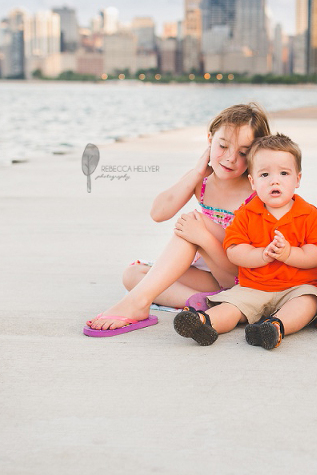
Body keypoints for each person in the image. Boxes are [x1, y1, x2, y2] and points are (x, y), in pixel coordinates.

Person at [84, 103, 271, 337]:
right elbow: (158, 212)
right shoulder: (203, 182)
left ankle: (137, 304)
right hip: (208, 279)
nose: (231, 158)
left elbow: (241, 261)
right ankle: (204, 302)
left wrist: (202, 236)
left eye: (243, 153)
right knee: (132, 275)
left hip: (236, 276)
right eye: (223, 146)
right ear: (210, 140)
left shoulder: (254, 192)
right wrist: (195, 173)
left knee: (193, 224)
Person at [173, 133, 317, 349]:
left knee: (308, 302)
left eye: (284, 173)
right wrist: (261, 255)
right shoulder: (246, 214)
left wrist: (290, 254)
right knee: (232, 305)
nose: (274, 180)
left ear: (297, 179)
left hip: (298, 287)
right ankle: (204, 323)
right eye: (265, 174)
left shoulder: (310, 215)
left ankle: (275, 327)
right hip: (254, 287)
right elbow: (233, 249)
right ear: (253, 181)